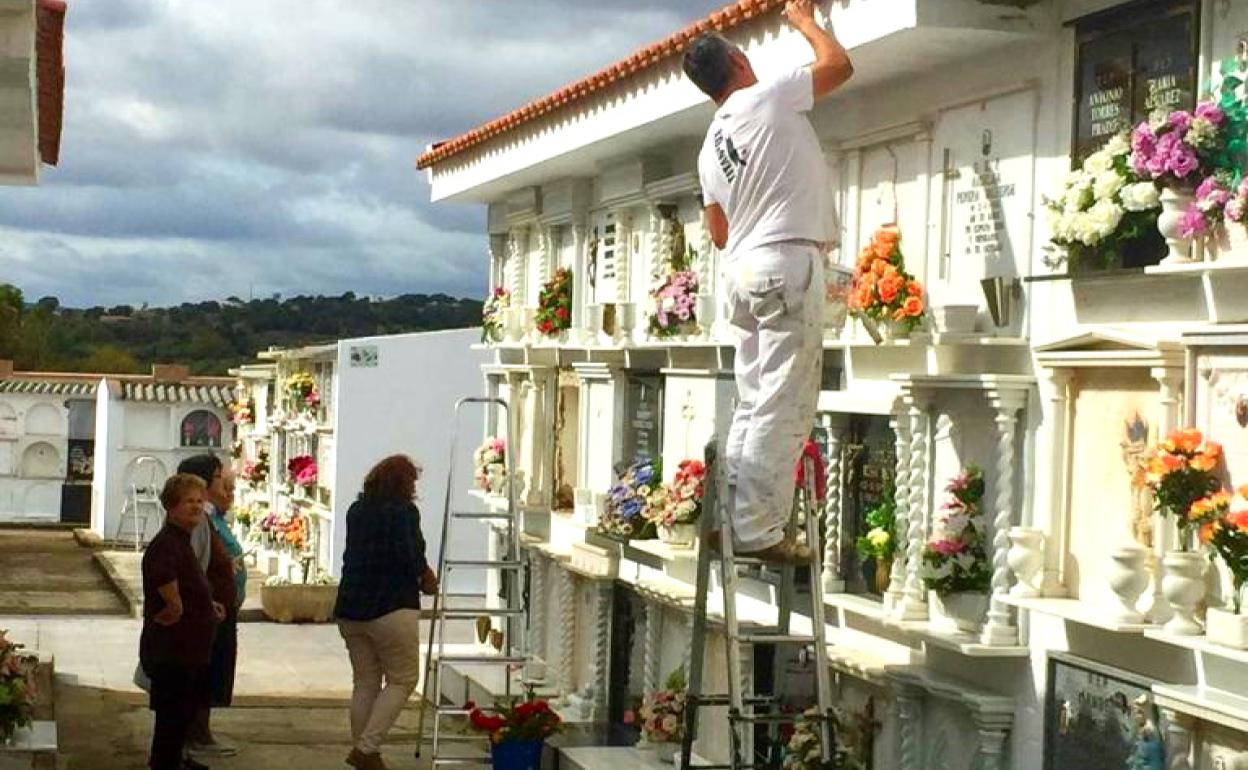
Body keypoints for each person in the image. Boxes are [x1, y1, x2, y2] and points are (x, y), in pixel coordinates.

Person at [684, 0, 853, 564]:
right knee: (784, 402)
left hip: (743, 271)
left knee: (755, 400)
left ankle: (733, 519)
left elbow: (718, 231)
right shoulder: (766, 96)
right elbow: (838, 67)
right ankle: (758, 530)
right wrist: (805, 21)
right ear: (737, 59)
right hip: (784, 263)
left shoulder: (710, 147)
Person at [334, 455, 439, 770]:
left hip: (351, 606)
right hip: (392, 605)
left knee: (365, 681)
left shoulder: (357, 510)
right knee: (403, 679)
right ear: (403, 483)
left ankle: (365, 752)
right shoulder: (404, 513)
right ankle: (367, 749)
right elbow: (410, 553)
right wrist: (427, 578)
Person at [140, 473, 224, 770]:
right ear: (171, 506)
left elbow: (189, 585)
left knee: (180, 714)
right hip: (174, 650)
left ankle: (174, 760)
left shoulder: (183, 541)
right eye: (188, 501)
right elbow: (166, 583)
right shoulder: (167, 544)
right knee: (172, 715)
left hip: (189, 649)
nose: (196, 507)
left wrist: (205, 605)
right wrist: (177, 606)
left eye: (200, 501)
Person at [176, 454, 243, 759]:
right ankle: (195, 734)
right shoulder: (198, 520)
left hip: (220, 608)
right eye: (218, 476)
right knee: (202, 674)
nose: (223, 481)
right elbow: (194, 564)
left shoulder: (212, 516)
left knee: (213, 671)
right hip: (208, 609)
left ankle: (200, 731)